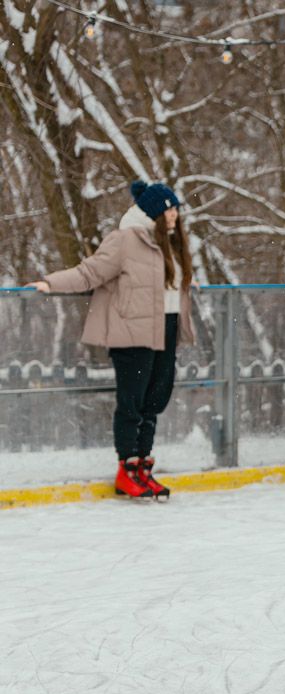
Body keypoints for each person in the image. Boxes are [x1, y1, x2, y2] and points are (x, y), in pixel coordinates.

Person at [26, 180, 196, 499]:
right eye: (169, 209)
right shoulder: (125, 241)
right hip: (132, 333)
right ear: (153, 212)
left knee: (154, 402)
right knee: (132, 403)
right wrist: (51, 283)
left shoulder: (172, 244)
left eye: (176, 208)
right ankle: (126, 470)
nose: (174, 214)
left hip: (166, 329)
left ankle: (143, 469)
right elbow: (90, 272)